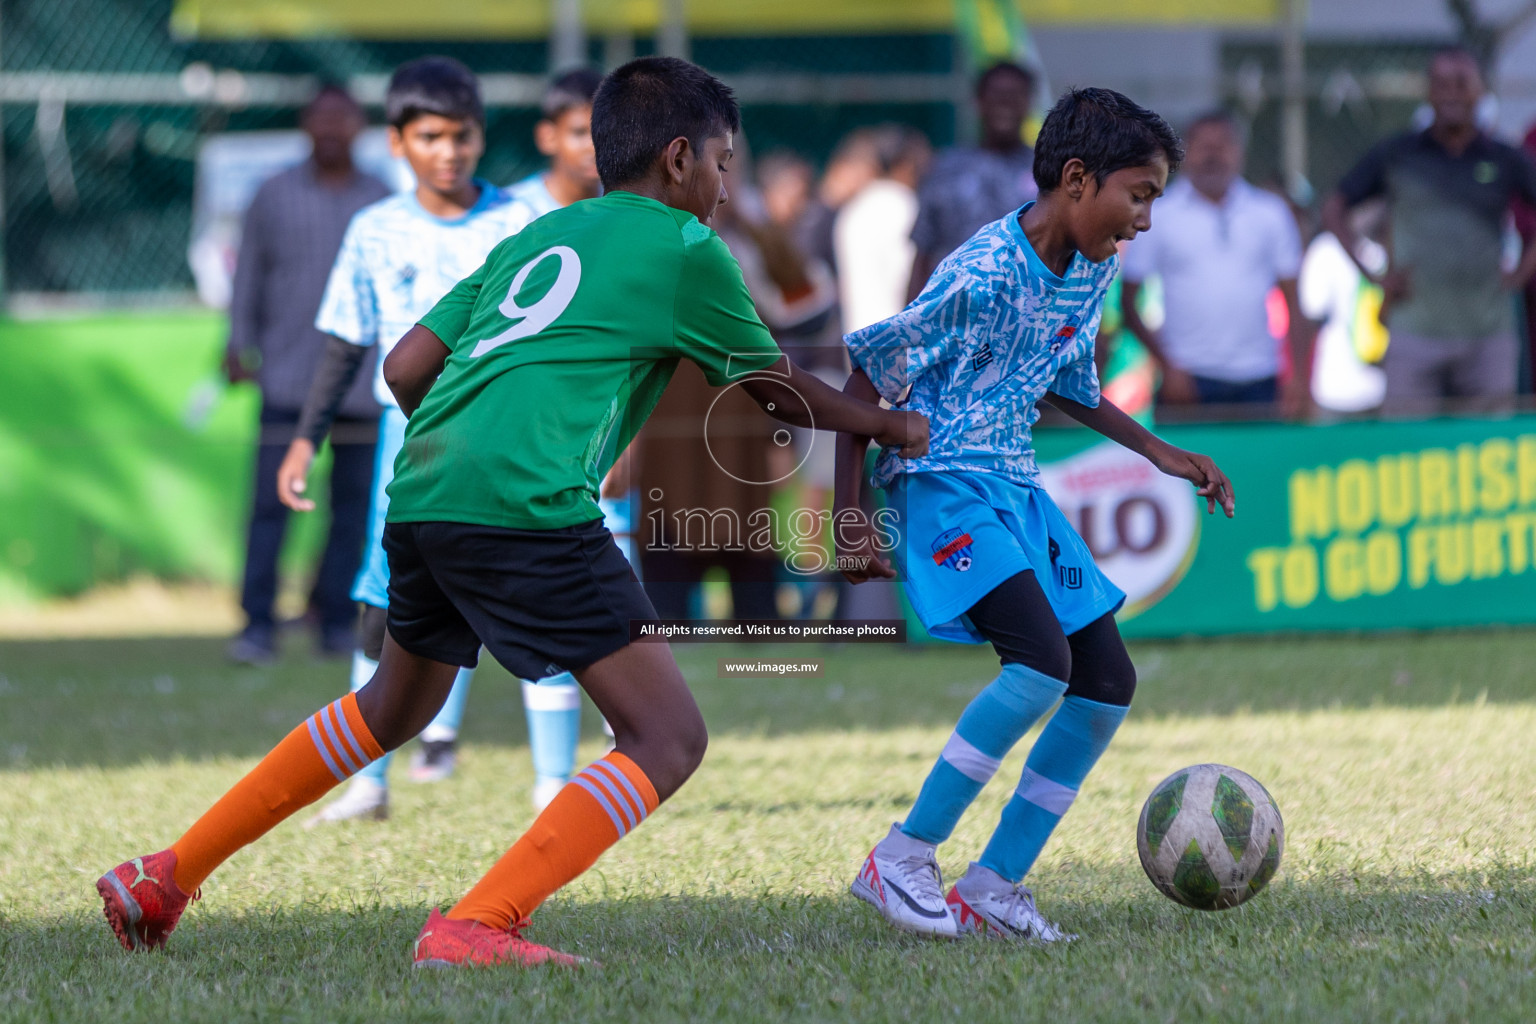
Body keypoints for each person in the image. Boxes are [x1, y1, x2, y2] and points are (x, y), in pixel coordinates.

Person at [96, 55, 926, 968]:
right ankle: (477, 924)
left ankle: (165, 873)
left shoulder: (536, 235)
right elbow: (774, 389)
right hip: (525, 507)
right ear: (681, 159)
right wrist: (885, 421)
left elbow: (406, 367)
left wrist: (473, 447)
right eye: (725, 165)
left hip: (422, 489)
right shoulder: (687, 249)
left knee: (390, 705)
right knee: (668, 736)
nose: (729, 191)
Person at [834, 88, 1234, 942]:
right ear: (1079, 180)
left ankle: (992, 886)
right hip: (938, 479)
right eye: (1141, 194)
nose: (1146, 219)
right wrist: (850, 512)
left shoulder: (1092, 265)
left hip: (1014, 485)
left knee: (1105, 681)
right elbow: (867, 374)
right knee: (1039, 662)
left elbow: (1070, 382)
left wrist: (1163, 453)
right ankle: (902, 856)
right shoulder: (979, 273)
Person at [273, 57, 536, 822]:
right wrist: (302, 442)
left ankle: (550, 779)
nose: (447, 151)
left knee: (526, 591)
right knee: (382, 601)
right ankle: (370, 782)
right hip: (409, 442)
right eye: (429, 137)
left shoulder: (519, 224)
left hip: (502, 440)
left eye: (461, 136)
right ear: (397, 142)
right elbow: (345, 346)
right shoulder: (375, 229)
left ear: (481, 137)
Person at [224, 86, 392, 665]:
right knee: (270, 506)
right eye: (320, 117)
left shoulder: (380, 199)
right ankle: (257, 623)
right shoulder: (272, 194)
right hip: (289, 380)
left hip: (363, 383)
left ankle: (334, 619)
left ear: (358, 127)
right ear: (304, 124)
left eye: (341, 118)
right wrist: (236, 342)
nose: (330, 128)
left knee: (354, 510)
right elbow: (247, 276)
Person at [504, 67, 610, 812]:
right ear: (549, 136)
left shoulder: (625, 218)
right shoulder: (509, 217)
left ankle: (606, 752)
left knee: (609, 597)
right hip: (522, 443)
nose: (594, 149)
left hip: (602, 439)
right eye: (581, 130)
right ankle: (551, 782)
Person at [1323, 47, 1536, 413]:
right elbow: (1334, 209)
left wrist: (1522, 273)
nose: (1451, 93)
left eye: (1461, 83)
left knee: (1485, 452)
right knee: (1407, 452)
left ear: (1480, 91)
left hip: (1487, 335)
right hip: (1413, 333)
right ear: (1428, 92)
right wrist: (1374, 277)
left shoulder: (1504, 157)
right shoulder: (1397, 153)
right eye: (1441, 84)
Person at [1120, 111, 1307, 415]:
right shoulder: (1159, 215)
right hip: (1187, 381)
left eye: (1223, 145)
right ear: (1184, 153)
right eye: (1203, 146)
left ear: (1240, 152)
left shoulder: (1270, 213)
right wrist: (1167, 366)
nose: (1213, 155)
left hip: (1260, 379)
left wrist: (1298, 379)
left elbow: (1295, 303)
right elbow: (1129, 303)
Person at [906, 61, 1038, 302]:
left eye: (1014, 96)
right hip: (954, 314)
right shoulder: (945, 169)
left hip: (1025, 318)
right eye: (997, 96)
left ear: (1029, 103)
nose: (1004, 105)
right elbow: (923, 252)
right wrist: (906, 324)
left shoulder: (1046, 171)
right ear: (978, 102)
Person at [836, 126, 932, 334]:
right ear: (904, 164)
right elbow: (909, 279)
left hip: (858, 337)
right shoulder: (904, 205)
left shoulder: (853, 208)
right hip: (899, 336)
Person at [1300, 207, 1389, 415]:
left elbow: (1311, 311)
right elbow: (1311, 313)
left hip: (1371, 386)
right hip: (1338, 387)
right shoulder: (1326, 249)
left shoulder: (1327, 249)